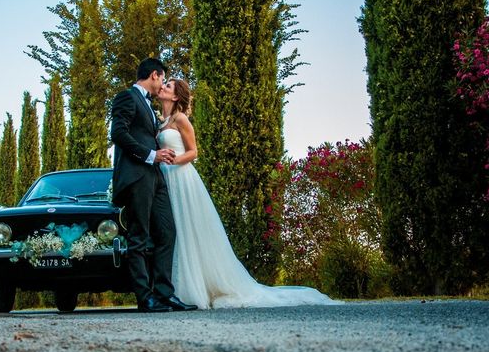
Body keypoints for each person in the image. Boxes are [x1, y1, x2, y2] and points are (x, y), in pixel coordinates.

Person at [155, 78, 340, 308]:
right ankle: (175, 288)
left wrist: (172, 160)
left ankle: (193, 291)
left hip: (181, 176)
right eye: (164, 84)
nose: (163, 86)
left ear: (175, 97)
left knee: (188, 228)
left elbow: (193, 152)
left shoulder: (180, 119)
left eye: (168, 86)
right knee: (176, 231)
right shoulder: (162, 122)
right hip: (165, 178)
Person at [110, 58, 197, 313]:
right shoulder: (127, 97)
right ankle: (145, 297)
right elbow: (118, 133)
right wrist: (151, 155)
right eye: (163, 79)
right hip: (138, 176)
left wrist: (159, 157)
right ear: (155, 75)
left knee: (167, 232)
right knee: (139, 237)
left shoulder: (151, 108)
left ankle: (164, 293)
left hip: (156, 177)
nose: (162, 84)